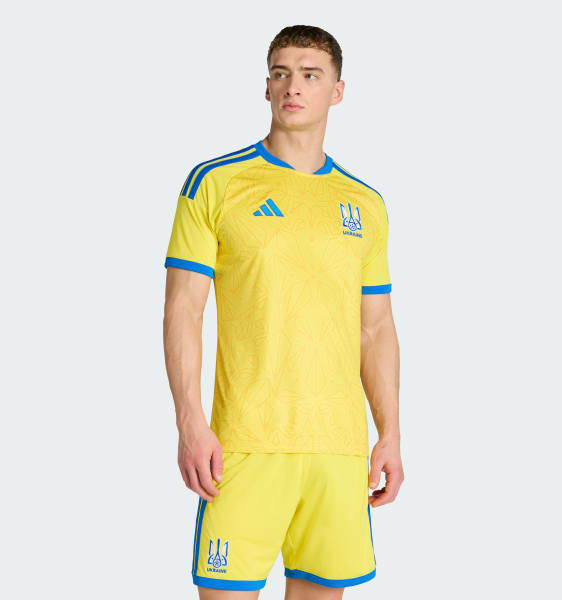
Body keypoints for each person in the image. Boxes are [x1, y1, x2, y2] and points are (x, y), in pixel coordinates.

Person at [163, 24, 403, 599]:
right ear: (267, 87)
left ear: (336, 92)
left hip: (339, 451)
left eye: (310, 75)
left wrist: (390, 433)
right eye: (281, 73)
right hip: (244, 444)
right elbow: (182, 309)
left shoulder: (365, 204)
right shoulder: (216, 183)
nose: (293, 86)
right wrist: (190, 421)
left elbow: (375, 329)